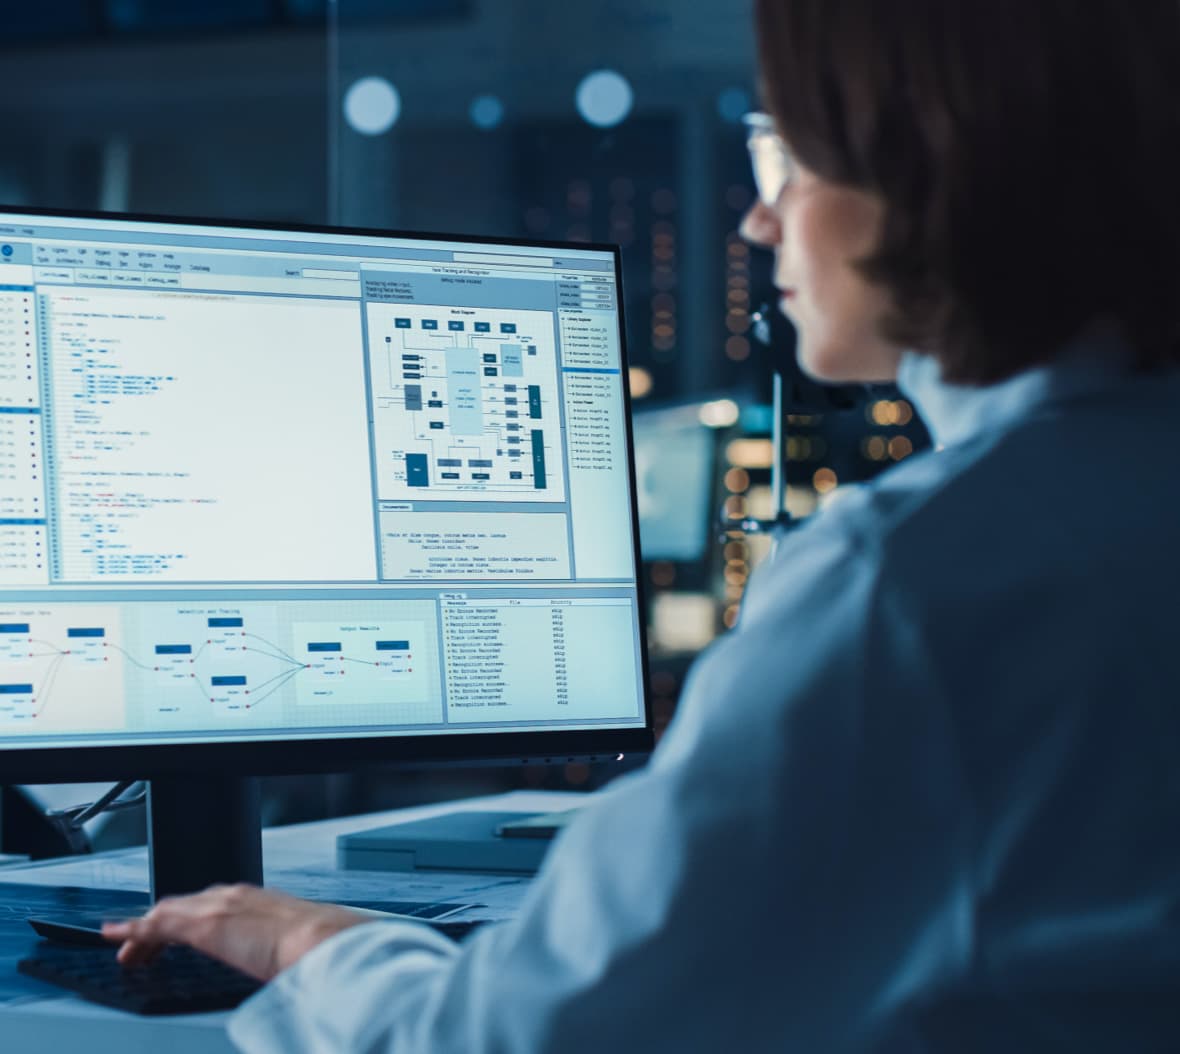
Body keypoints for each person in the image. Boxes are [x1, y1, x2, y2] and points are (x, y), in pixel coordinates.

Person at [106, 1, 1180, 1049]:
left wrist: (315, 945)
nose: (760, 220)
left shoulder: (910, 584)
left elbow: (520, 1036)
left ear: (926, 174)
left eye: (785, 161)